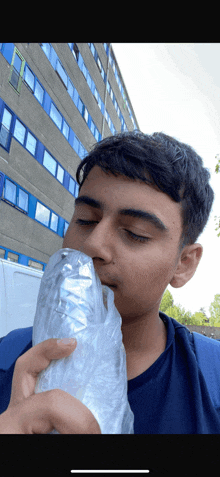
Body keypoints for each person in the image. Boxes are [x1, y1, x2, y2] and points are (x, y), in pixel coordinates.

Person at [0, 130, 219, 434]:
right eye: (86, 220)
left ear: (183, 264)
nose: (93, 245)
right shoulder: (8, 356)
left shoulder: (212, 385)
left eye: (135, 233)